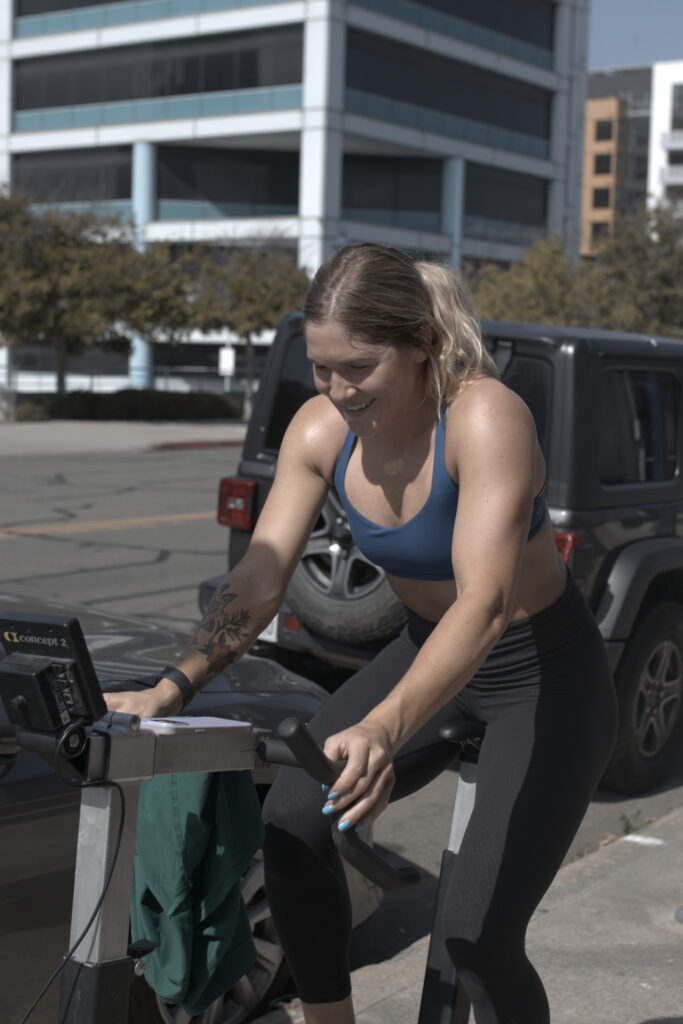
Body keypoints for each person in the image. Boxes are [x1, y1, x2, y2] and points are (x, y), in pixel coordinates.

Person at [105, 243, 618, 1024]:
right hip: (424, 648)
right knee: (291, 820)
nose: (338, 389)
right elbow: (259, 576)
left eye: (359, 366)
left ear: (420, 344)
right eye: (321, 368)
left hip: (540, 677)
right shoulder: (320, 431)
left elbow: (482, 604)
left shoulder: (483, 416)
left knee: (476, 942)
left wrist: (381, 726)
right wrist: (169, 687)